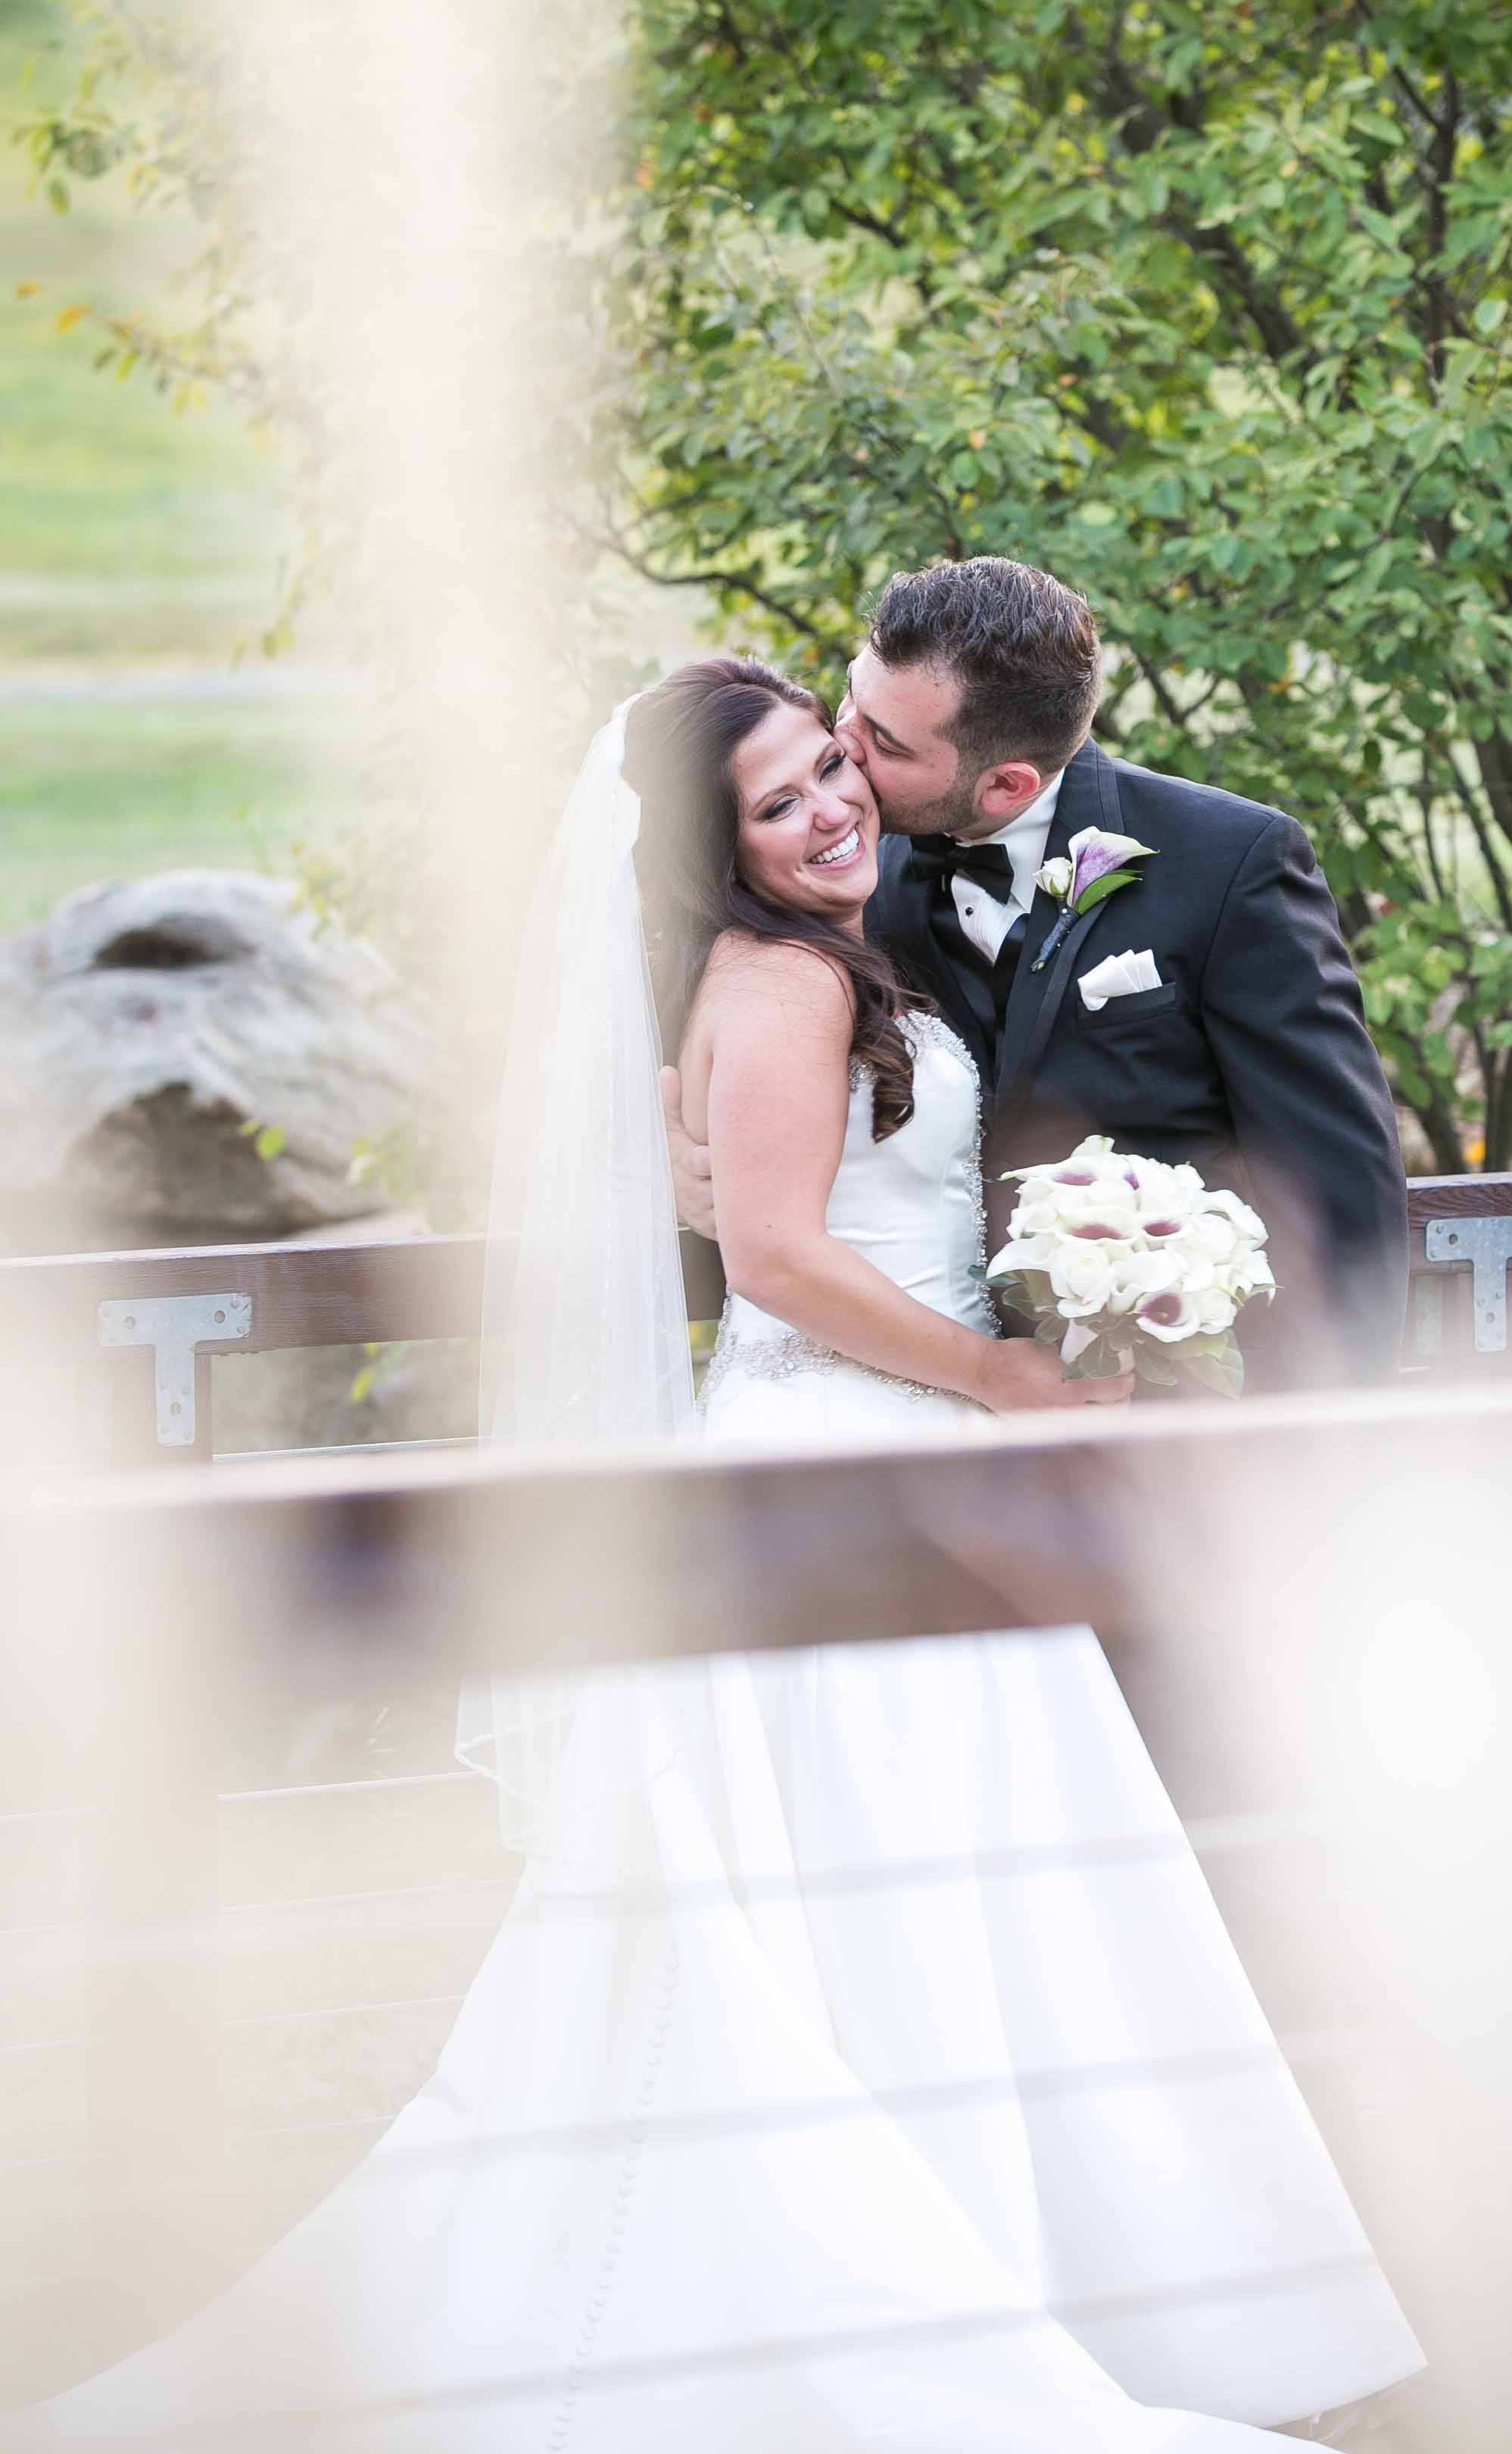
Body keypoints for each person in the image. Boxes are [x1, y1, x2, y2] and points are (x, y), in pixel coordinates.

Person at [4, 659, 1421, 2452]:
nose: (830, 808)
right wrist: (995, 1368)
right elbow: (771, 1255)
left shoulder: (833, 954)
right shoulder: (782, 981)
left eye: (831, 765)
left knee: (959, 1885)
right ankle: (908, 2291)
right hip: (844, 1462)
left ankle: (1022, 2264)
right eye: (778, 801)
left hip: (907, 1459)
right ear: (720, 848)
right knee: (887, 1879)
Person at [664, 560, 1409, 1391]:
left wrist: (1320, 1431)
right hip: (932, 1384)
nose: (843, 743)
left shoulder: (1230, 864)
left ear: (1007, 784)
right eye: (851, 700)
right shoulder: (838, 879)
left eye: (887, 742)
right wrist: (685, 1176)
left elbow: (1340, 1194)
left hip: (1173, 1407)